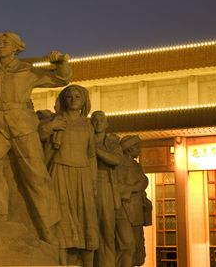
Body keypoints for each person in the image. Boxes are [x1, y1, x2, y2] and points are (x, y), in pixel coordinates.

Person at [0, 32, 71, 244]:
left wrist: (60, 62)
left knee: (36, 176)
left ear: (16, 47)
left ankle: (49, 228)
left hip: (22, 126)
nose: (0, 45)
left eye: (5, 42)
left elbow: (60, 78)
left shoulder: (26, 71)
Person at [39, 85, 99, 267]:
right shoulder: (57, 120)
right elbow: (39, 134)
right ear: (64, 100)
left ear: (84, 101)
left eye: (77, 96)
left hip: (82, 175)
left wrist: (93, 181)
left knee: (86, 218)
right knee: (61, 218)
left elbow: (91, 155)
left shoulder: (87, 125)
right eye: (70, 96)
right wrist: (51, 126)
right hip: (60, 172)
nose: (73, 99)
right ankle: (61, 264)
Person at [90, 110, 124, 267]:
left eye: (101, 120)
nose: (98, 123)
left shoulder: (111, 142)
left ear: (106, 124)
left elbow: (115, 160)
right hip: (86, 186)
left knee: (107, 230)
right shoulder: (86, 139)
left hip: (105, 186)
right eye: (95, 120)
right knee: (90, 229)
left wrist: (96, 151)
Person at [116, 135, 149, 267]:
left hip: (137, 210)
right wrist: (132, 188)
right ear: (129, 149)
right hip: (125, 210)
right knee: (126, 246)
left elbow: (144, 180)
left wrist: (140, 185)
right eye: (137, 147)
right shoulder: (119, 166)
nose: (139, 150)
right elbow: (116, 186)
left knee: (137, 244)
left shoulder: (136, 165)